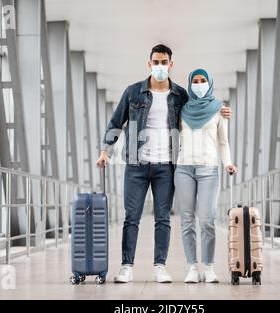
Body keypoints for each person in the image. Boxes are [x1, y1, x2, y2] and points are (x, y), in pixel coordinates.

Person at [96, 45, 232, 283]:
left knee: (163, 218)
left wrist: (221, 110)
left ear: (171, 64)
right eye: (156, 62)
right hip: (136, 165)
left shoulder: (180, 95)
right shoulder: (133, 92)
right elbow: (116, 123)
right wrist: (105, 151)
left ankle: (160, 266)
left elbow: (201, 108)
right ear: (149, 64)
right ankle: (126, 267)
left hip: (166, 166)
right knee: (132, 217)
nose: (160, 67)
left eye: (164, 62)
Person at [174, 69, 238, 283]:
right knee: (187, 220)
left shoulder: (220, 110)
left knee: (208, 220)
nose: (199, 84)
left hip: (209, 170)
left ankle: (209, 267)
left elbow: (223, 141)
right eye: (195, 81)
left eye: (203, 81)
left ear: (209, 84)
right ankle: (192, 267)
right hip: (183, 169)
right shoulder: (182, 110)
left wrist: (227, 162)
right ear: (190, 85)